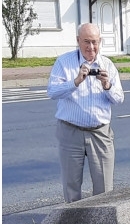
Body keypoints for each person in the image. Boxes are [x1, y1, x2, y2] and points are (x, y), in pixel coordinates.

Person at [47, 23, 125, 202]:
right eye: (86, 42)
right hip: (70, 131)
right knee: (71, 184)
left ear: (100, 42)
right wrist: (75, 82)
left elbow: (119, 98)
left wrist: (107, 86)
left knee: (104, 187)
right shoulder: (64, 62)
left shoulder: (107, 65)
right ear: (78, 41)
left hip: (100, 132)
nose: (91, 47)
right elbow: (52, 92)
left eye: (95, 42)